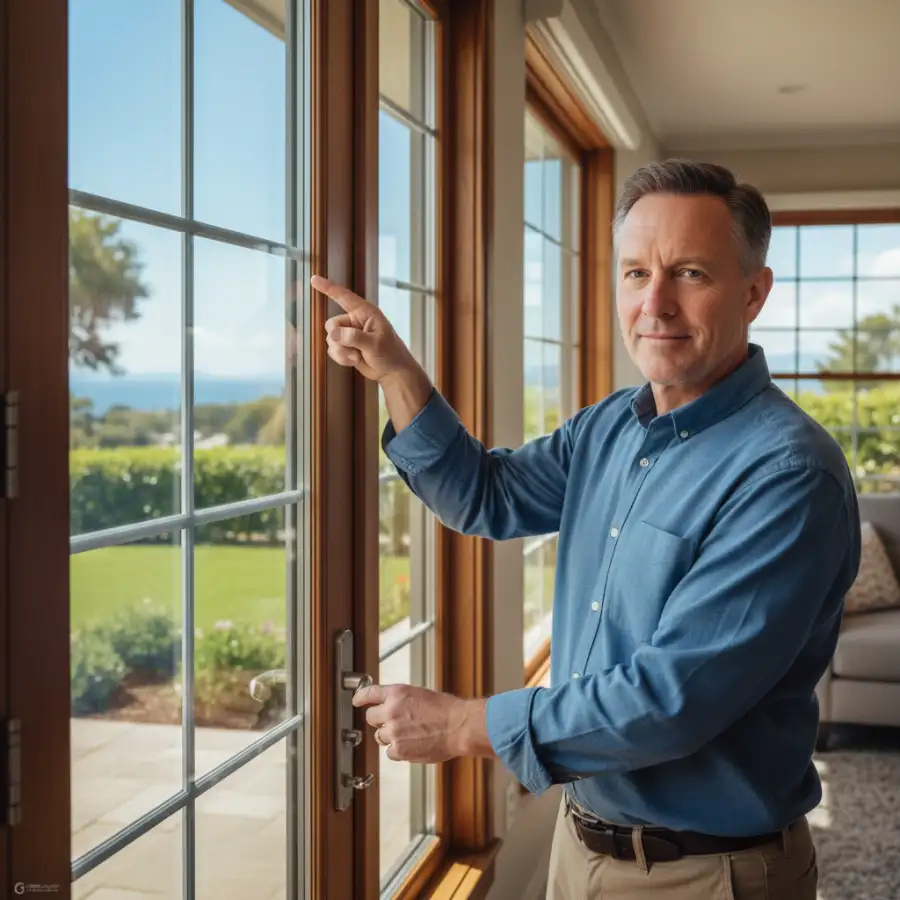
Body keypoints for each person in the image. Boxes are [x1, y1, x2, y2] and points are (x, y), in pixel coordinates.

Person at [311, 159, 861, 900]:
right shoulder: (612, 426)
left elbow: (671, 700)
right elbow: (487, 496)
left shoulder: (789, 476)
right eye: (636, 273)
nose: (655, 304)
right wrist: (397, 372)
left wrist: (465, 726)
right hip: (581, 849)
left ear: (754, 292)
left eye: (690, 273)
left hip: (707, 877)